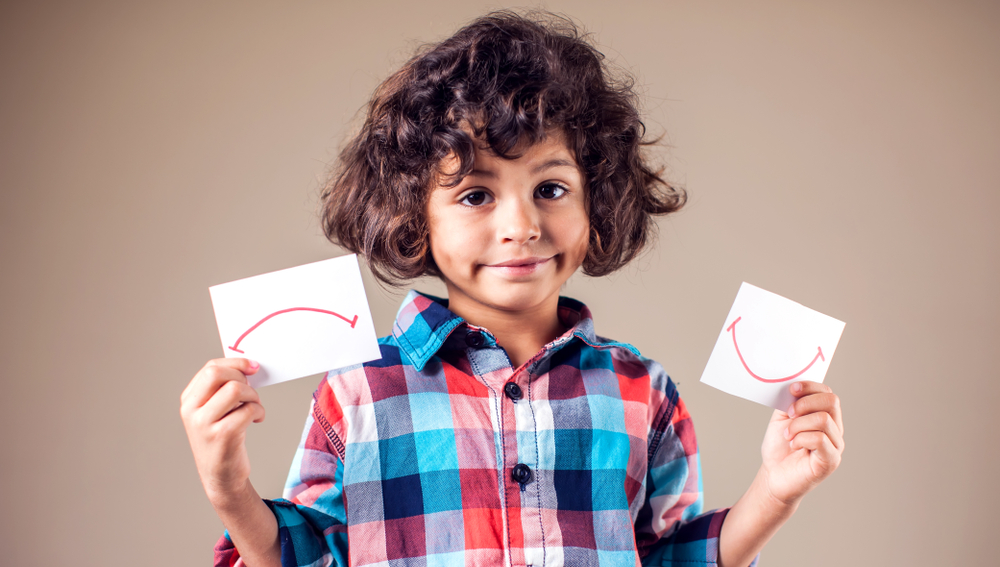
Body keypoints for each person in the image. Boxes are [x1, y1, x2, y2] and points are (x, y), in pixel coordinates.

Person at [180, 10, 845, 567]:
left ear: (598, 200)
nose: (522, 225)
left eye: (550, 189)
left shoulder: (644, 391)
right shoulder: (357, 389)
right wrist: (229, 485)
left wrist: (775, 491)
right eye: (475, 194)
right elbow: (308, 556)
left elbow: (670, 556)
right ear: (416, 216)